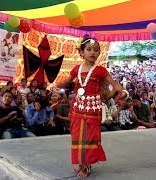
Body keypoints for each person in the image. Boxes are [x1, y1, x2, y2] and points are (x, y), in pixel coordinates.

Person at [53, 37, 127, 178]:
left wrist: (122, 90)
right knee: (78, 137)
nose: (92, 52)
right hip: (77, 108)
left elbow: (113, 83)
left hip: (93, 109)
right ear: (81, 52)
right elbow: (65, 82)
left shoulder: (100, 70)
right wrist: (55, 86)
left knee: (90, 138)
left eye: (95, 50)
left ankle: (87, 166)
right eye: (89, 49)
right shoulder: (76, 69)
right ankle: (81, 164)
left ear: (99, 53)